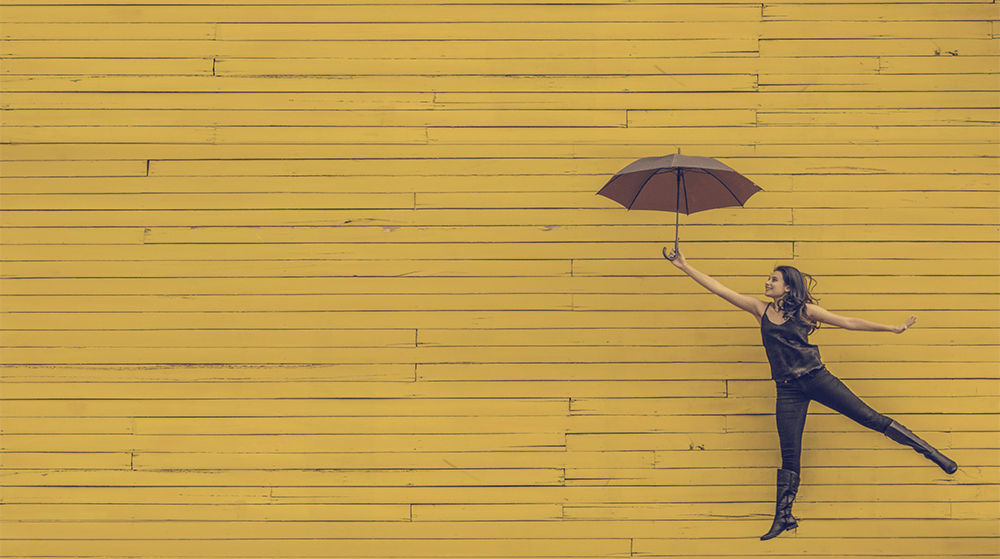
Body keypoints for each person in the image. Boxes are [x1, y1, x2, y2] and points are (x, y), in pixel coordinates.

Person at [665, 248, 958, 541]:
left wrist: (892, 328)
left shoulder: (804, 310)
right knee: (789, 454)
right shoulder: (759, 309)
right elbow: (719, 288)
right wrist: (684, 266)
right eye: (769, 279)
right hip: (787, 389)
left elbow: (847, 321)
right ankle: (783, 517)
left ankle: (933, 454)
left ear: (787, 286)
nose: (767, 283)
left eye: (773, 279)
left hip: (817, 378)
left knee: (870, 418)